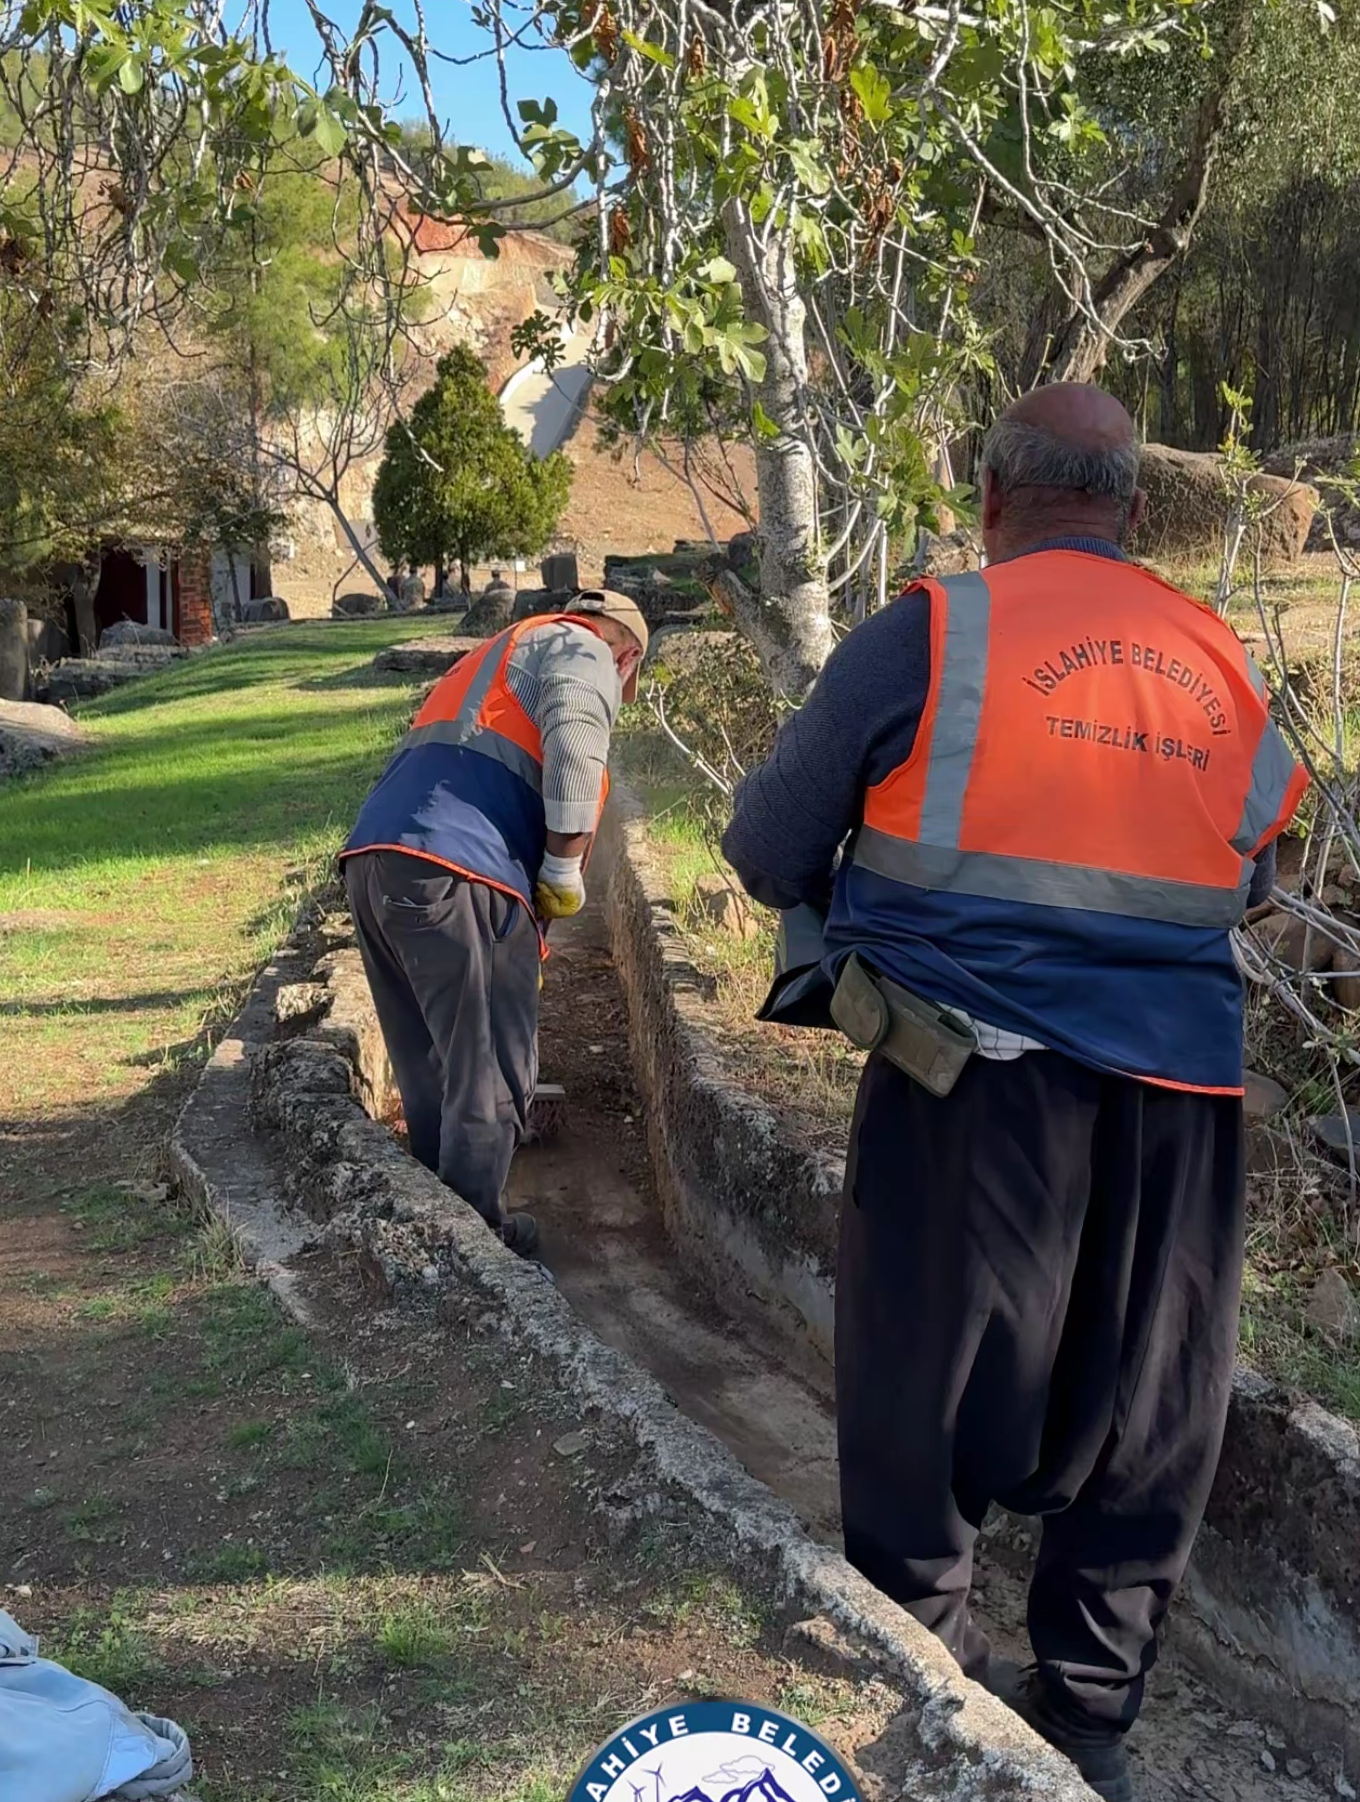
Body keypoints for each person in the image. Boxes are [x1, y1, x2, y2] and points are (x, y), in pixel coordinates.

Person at [721, 384, 1308, 1802]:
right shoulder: (1218, 656)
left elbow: (764, 842)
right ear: (1132, 510)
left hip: (969, 1086)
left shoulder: (933, 631)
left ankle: (919, 1681)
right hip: (1185, 1095)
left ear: (992, 498)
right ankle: (1092, 1713)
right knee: (1153, 1400)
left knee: (926, 1391)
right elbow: (1257, 869)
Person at [340, 588, 649, 1258]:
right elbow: (574, 744)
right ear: (626, 657)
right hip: (460, 873)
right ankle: (474, 1246)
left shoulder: (491, 660)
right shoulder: (584, 648)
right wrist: (565, 868)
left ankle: (429, 1222)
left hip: (374, 863)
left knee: (428, 1063)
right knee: (489, 1069)